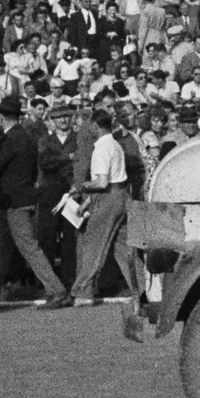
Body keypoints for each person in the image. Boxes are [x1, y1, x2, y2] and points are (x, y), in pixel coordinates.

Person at [0, 95, 71, 310]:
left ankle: (57, 290)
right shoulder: (28, 137)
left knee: (28, 247)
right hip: (22, 197)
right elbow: (33, 170)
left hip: (13, 201)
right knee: (1, 249)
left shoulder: (9, 139)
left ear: (2, 117)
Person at [69, 108, 140, 306]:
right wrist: (87, 202)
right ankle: (142, 290)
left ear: (95, 126)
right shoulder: (115, 144)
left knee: (93, 245)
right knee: (122, 247)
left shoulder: (100, 148)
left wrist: (80, 187)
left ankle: (83, 292)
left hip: (108, 198)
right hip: (120, 196)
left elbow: (101, 183)